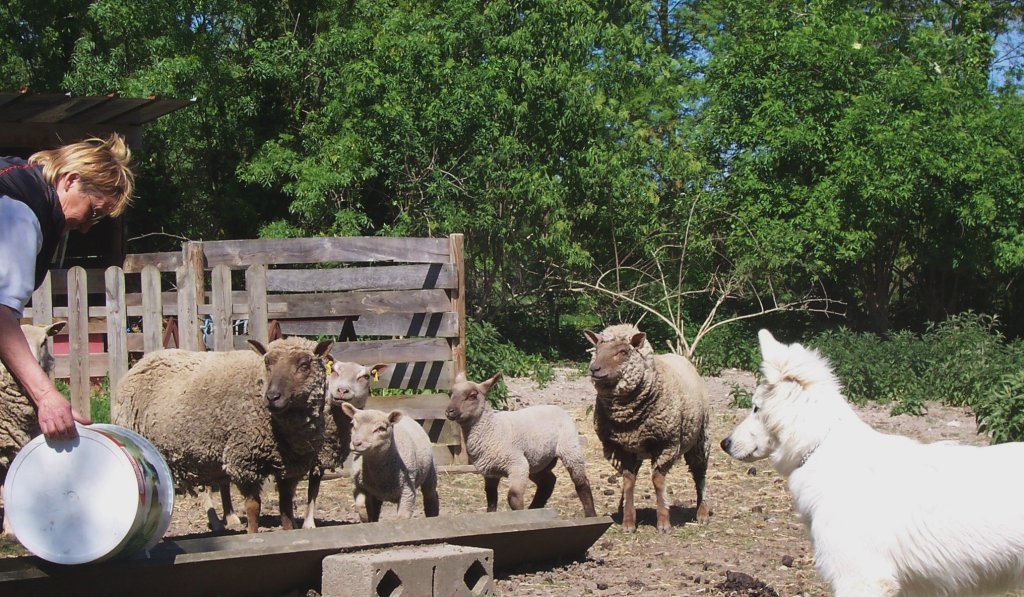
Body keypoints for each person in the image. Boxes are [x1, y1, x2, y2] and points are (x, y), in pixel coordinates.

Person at [0, 134, 134, 441]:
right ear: (71, 180)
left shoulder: (15, 181)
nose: (87, 227)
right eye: (93, 212)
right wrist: (46, 396)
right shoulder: (20, 213)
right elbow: (1, 313)